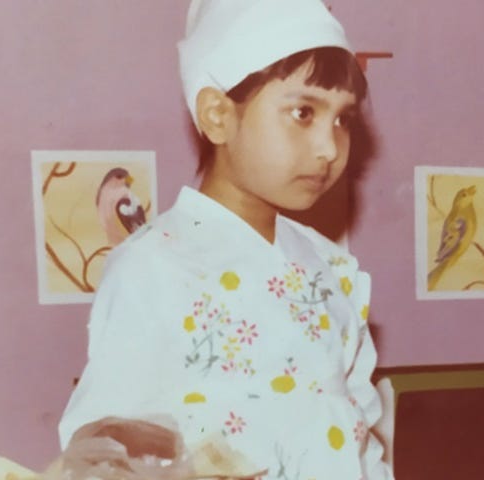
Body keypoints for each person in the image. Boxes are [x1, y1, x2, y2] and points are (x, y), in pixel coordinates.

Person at [58, 0, 393, 478]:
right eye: (303, 112)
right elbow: (106, 445)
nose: (328, 147)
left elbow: (362, 435)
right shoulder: (154, 267)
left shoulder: (332, 269)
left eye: (342, 119)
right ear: (218, 115)